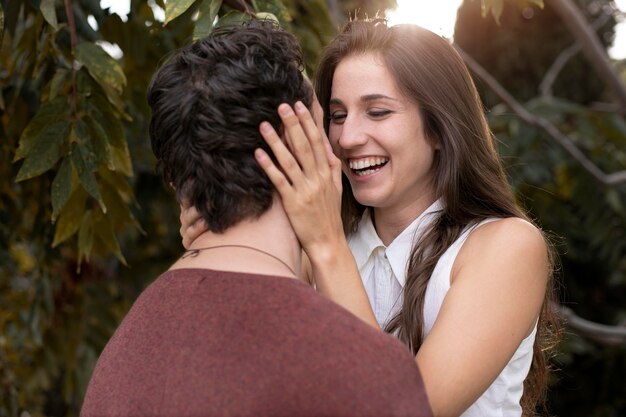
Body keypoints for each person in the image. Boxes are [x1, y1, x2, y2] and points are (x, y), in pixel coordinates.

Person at [181, 18, 560, 417]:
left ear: (438, 129)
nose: (347, 138)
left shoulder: (505, 247)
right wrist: (211, 249)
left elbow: (405, 410)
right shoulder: (311, 253)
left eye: (377, 112)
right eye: (338, 115)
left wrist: (325, 247)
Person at [80, 19, 434, 417]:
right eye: (328, 122)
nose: (345, 143)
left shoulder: (123, 352)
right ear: (296, 147)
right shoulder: (362, 369)